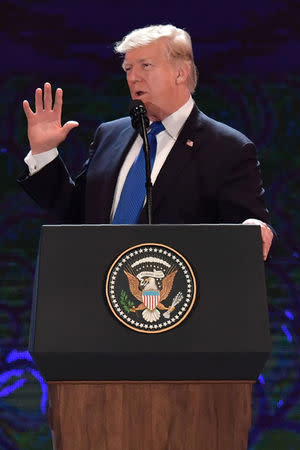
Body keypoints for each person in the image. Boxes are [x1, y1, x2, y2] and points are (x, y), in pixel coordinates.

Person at [18, 24, 273, 259]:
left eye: (145, 66)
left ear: (180, 73)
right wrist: (44, 152)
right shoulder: (109, 135)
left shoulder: (228, 148)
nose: (133, 77)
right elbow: (77, 214)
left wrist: (254, 228)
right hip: (97, 291)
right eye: (128, 69)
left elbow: (249, 228)